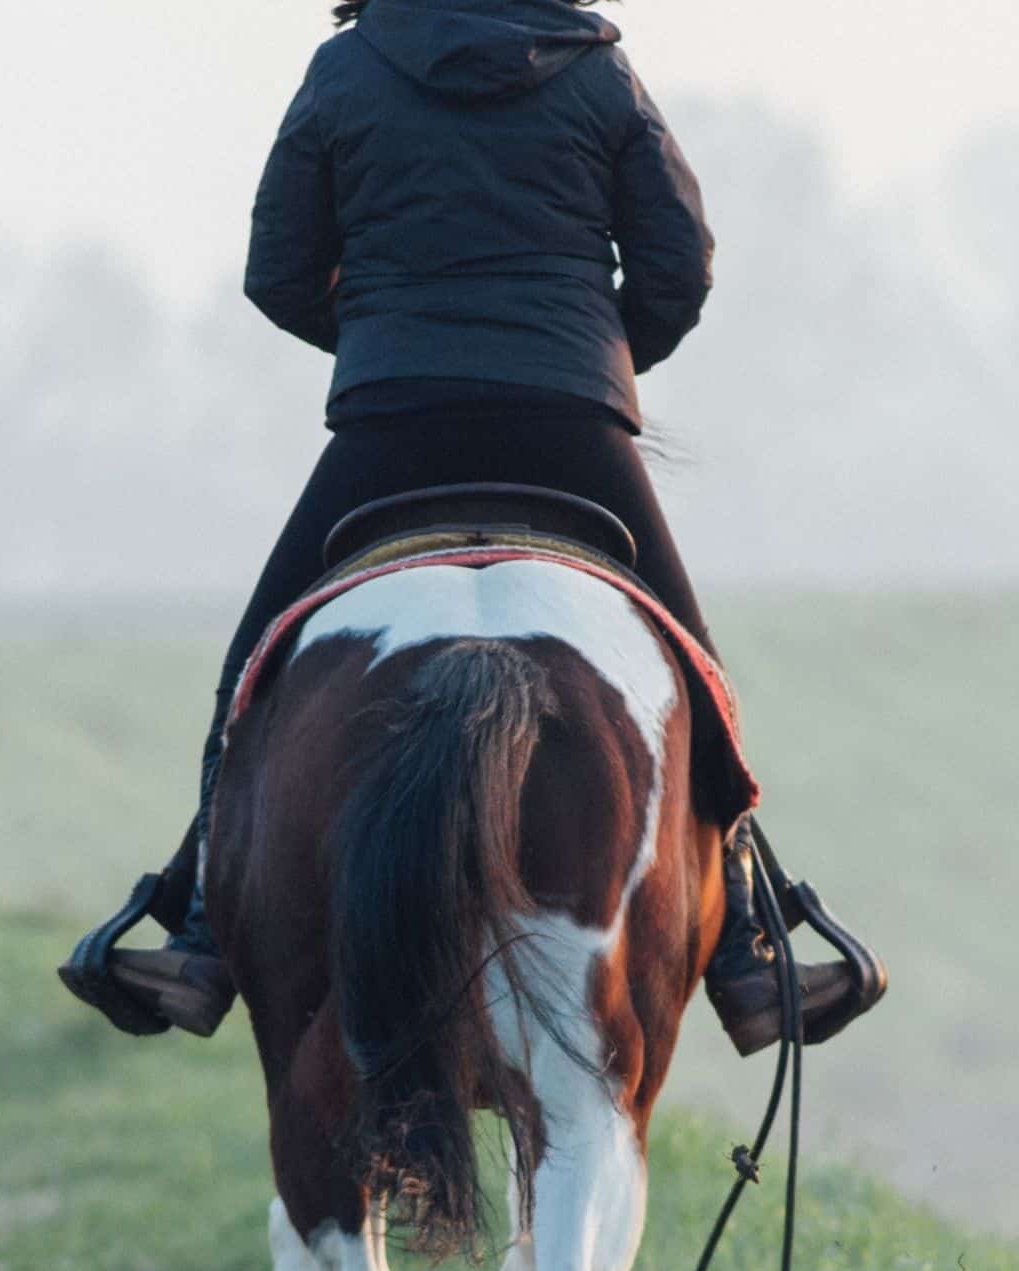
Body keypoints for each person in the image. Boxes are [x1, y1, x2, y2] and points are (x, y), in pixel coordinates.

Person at [60, 0, 884, 1055]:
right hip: (568, 425)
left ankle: (205, 932)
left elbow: (276, 274)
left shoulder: (344, 72)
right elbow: (681, 269)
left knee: (252, 674)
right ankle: (744, 958)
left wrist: (383, 339)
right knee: (697, 677)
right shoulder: (601, 76)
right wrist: (589, 358)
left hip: (394, 422)